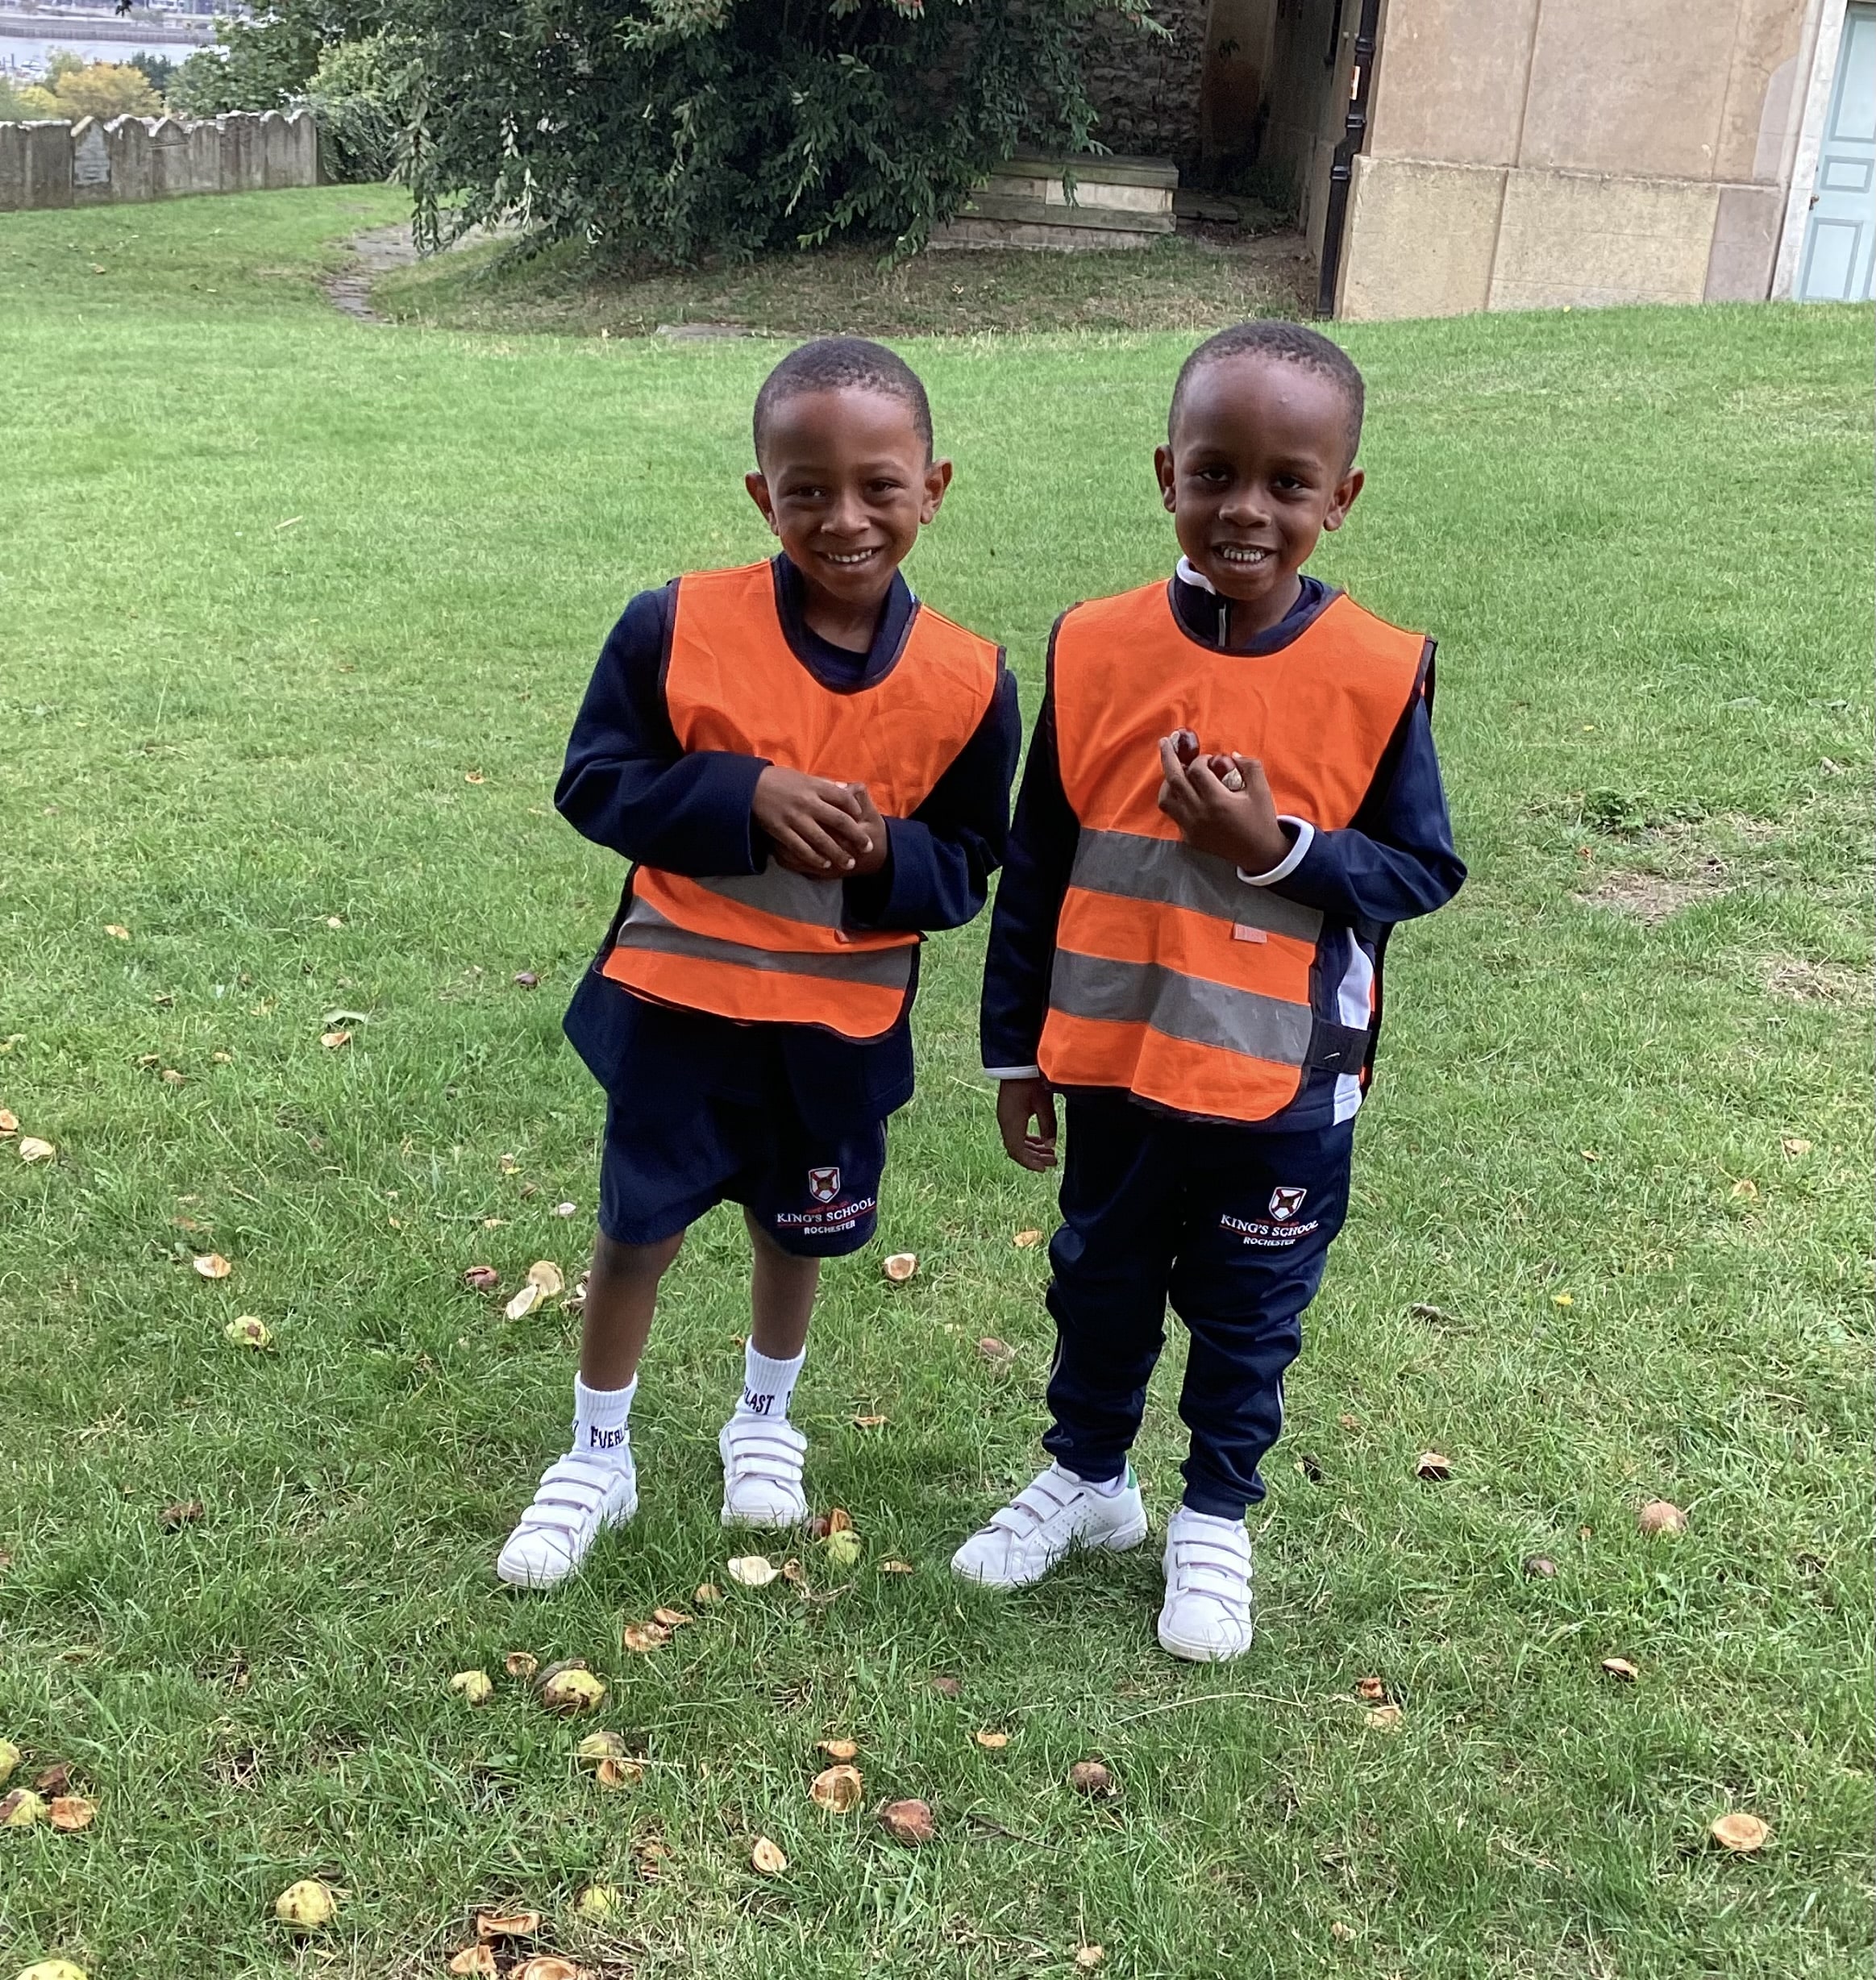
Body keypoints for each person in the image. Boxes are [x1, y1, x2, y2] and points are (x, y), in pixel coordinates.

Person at [953, 320, 1464, 1661]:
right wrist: (1017, 1051)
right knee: (1099, 1281)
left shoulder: (1377, 670)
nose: (1247, 508)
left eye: (1288, 483)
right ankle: (1089, 1478)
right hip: (1115, 1062)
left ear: (1340, 498)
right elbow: (1040, 859)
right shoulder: (1095, 646)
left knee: (1248, 1311)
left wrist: (1277, 848)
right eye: (1216, 473)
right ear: (1166, 473)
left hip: (1283, 1080)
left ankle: (1217, 1514)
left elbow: (1420, 868)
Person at [498, 337, 1021, 1590]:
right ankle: (598, 1452)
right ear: (761, 495)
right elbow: (594, 782)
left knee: (799, 1233)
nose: (844, 519)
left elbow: (969, 863)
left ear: (933, 487)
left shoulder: (969, 679)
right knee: (637, 1231)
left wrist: (883, 852)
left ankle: (764, 1423)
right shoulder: (675, 626)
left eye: (879, 487)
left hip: (836, 1036)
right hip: (679, 1013)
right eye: (807, 490)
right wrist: (743, 796)